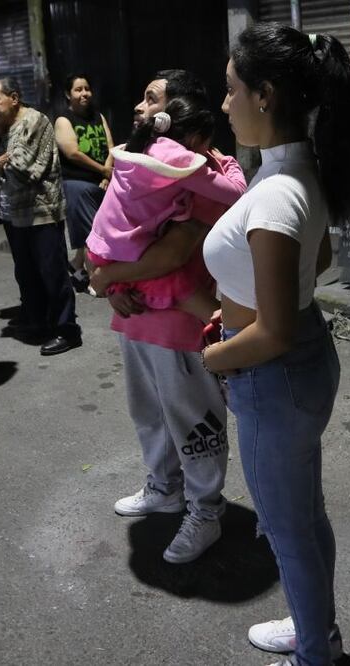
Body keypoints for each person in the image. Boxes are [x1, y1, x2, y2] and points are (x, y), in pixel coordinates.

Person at [201, 24, 350, 665]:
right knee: (304, 517)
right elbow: (317, 260)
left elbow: (272, 332)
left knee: (286, 528)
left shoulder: (275, 193)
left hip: (273, 375)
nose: (224, 104)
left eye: (230, 89)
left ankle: (313, 655)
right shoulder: (298, 173)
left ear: (265, 95)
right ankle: (314, 632)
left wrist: (213, 355)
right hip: (299, 368)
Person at [89, 69, 236, 567]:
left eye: (152, 99)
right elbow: (115, 228)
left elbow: (171, 255)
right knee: (149, 415)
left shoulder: (197, 171)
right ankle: (164, 488)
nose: (139, 107)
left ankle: (205, 510)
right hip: (137, 314)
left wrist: (108, 278)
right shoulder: (145, 160)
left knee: (195, 422)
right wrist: (112, 287)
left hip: (179, 322)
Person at [86, 95, 246, 325]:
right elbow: (237, 192)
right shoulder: (182, 163)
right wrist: (227, 161)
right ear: (195, 139)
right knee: (223, 319)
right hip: (130, 260)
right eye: (207, 145)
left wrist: (110, 281)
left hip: (102, 251)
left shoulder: (143, 146)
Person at [0, 77, 82, 356]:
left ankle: (67, 330)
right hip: (13, 213)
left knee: (52, 273)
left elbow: (23, 169)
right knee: (26, 273)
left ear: (14, 98)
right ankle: (37, 321)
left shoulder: (33, 121)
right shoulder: (3, 127)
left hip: (41, 212)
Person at [54, 74, 114, 290]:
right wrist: (104, 170)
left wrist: (107, 175)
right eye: (78, 90)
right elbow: (72, 153)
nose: (84, 93)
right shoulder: (63, 120)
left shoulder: (98, 116)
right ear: (68, 95)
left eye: (87, 88)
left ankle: (76, 265)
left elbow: (110, 147)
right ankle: (94, 278)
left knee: (104, 224)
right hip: (76, 182)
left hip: (101, 180)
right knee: (92, 231)